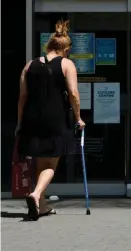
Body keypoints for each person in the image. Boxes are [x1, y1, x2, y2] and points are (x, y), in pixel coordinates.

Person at [16, 19, 85, 221]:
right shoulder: (67, 64)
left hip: (32, 119)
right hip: (55, 118)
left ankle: (42, 205)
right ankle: (36, 195)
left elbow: (22, 98)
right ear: (66, 48)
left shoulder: (29, 66)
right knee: (51, 164)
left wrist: (20, 123)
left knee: (39, 161)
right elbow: (73, 93)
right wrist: (79, 118)